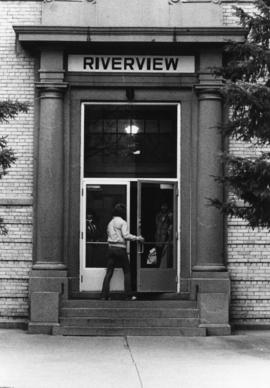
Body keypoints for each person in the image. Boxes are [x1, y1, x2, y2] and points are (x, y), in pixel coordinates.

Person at [101, 203, 144, 300]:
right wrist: (138, 238)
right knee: (127, 271)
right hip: (120, 249)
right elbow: (126, 235)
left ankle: (103, 295)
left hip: (111, 248)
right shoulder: (122, 222)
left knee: (109, 272)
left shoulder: (110, 223)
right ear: (123, 212)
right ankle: (128, 295)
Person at [155, 202, 173, 268]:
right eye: (162, 206)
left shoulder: (169, 215)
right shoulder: (158, 215)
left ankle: (162, 268)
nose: (163, 208)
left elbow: (171, 224)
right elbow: (157, 225)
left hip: (166, 237)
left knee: (164, 254)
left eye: (165, 206)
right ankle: (158, 267)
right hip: (158, 237)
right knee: (158, 254)